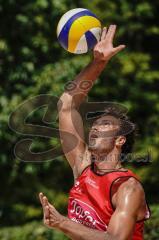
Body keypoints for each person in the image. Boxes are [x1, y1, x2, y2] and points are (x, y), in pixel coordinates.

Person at [39, 25, 150, 240]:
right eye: (95, 124)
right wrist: (99, 62)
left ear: (120, 140)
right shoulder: (83, 167)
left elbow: (116, 239)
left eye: (105, 124)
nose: (95, 127)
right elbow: (67, 105)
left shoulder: (128, 188)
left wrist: (62, 222)